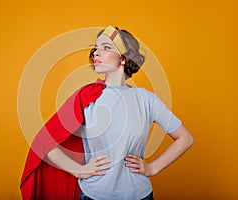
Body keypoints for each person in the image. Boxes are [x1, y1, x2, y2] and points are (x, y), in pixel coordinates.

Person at [20, 24, 193, 200]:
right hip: (94, 195)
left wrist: (152, 168)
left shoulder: (146, 99)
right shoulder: (87, 97)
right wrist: (78, 170)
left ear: (123, 58)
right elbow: (45, 141)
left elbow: (185, 138)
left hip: (140, 195)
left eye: (106, 47)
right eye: (96, 48)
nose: (96, 52)